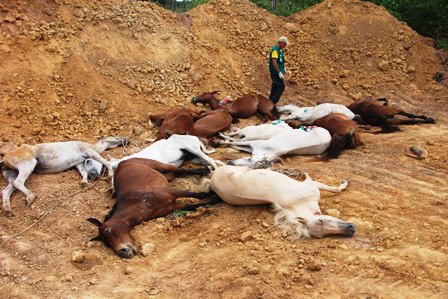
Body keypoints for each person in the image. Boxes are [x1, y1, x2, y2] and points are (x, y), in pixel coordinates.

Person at [269, 36, 288, 104]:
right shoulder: (275, 50)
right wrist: (279, 72)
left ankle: (270, 101)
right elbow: (274, 62)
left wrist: (283, 68)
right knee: (281, 86)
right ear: (281, 43)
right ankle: (273, 102)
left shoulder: (280, 50)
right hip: (275, 72)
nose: (285, 45)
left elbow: (279, 61)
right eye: (285, 44)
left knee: (275, 86)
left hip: (277, 72)